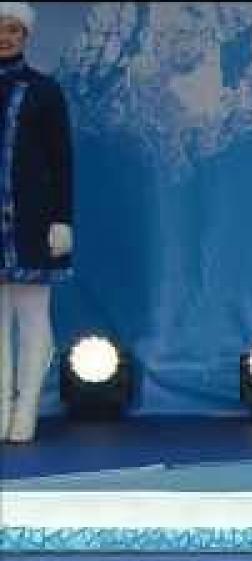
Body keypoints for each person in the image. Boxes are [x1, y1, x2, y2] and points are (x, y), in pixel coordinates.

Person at [0, 2, 73, 444]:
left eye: (13, 31)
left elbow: (61, 160)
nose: (5, 37)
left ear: (26, 36)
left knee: (32, 314)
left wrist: (62, 219)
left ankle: (26, 407)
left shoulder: (45, 91)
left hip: (32, 219)